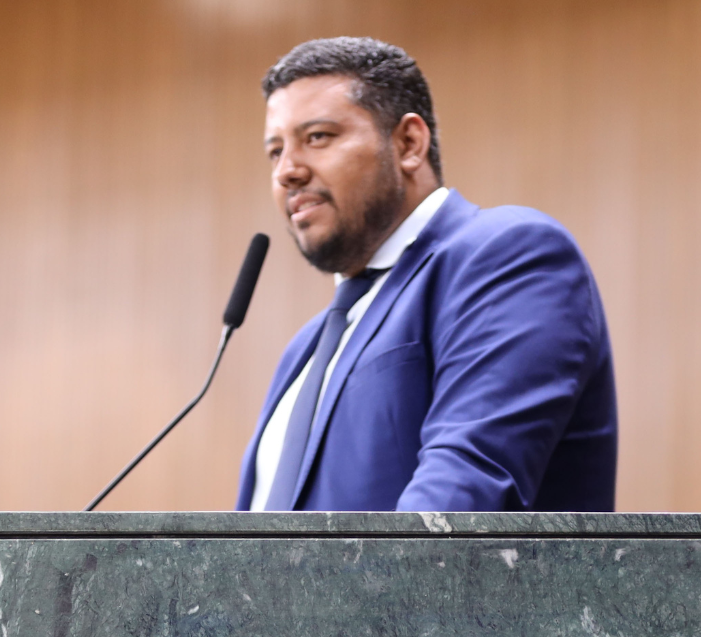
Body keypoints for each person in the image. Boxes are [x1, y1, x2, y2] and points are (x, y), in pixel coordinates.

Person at [238, 37, 617, 513]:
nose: (287, 172)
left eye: (317, 137)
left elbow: (461, 492)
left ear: (408, 143)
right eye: (275, 151)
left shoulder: (507, 255)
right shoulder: (306, 349)